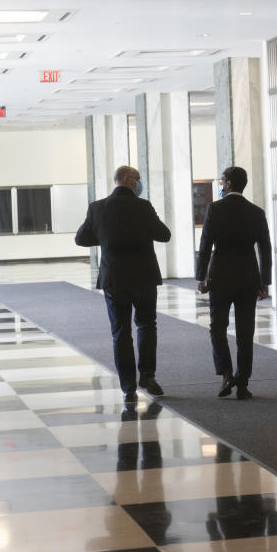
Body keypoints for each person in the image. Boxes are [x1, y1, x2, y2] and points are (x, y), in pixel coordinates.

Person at [75, 165, 171, 403]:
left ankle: (127, 385)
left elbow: (81, 239)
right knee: (147, 326)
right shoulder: (143, 206)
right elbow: (164, 235)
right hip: (144, 277)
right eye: (138, 179)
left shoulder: (97, 208)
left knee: (120, 332)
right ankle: (147, 376)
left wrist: (105, 236)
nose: (140, 183)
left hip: (114, 278)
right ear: (130, 180)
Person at [196, 166, 271, 400]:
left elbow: (206, 244)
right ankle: (243, 383)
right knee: (245, 331)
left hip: (220, 277)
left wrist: (201, 276)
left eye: (222, 181)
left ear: (228, 184)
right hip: (248, 277)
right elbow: (265, 249)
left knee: (217, 327)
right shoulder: (256, 212)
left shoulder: (215, 209)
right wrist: (264, 281)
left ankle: (226, 373)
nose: (220, 184)